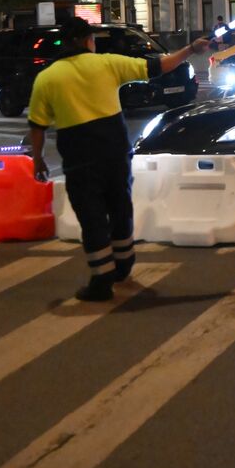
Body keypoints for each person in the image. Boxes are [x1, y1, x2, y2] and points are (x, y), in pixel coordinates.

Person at [28, 19, 208, 301]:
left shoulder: (48, 78)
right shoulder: (108, 64)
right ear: (87, 40)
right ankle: (123, 266)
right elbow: (159, 66)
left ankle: (102, 279)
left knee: (92, 216)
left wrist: (37, 160)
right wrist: (191, 49)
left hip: (78, 156)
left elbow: (37, 125)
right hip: (114, 150)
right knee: (120, 206)